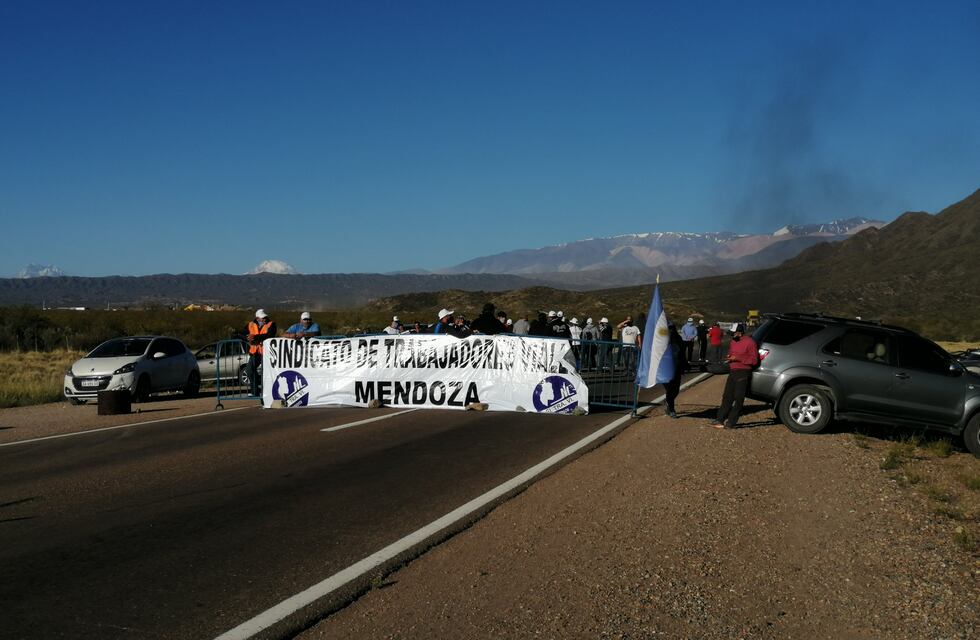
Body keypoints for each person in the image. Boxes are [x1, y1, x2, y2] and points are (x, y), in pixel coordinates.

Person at [711, 323, 759, 429]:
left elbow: (754, 360)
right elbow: (732, 352)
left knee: (738, 398)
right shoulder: (733, 341)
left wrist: (738, 358)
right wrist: (729, 357)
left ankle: (731, 422)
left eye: (733, 333)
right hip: (733, 371)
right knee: (727, 396)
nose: (732, 335)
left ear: (740, 333)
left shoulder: (750, 342)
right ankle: (720, 419)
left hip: (743, 372)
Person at [246, 309, 277, 395]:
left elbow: (270, 335)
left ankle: (266, 392)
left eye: (265, 317)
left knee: (266, 372)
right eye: (262, 318)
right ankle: (255, 391)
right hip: (254, 352)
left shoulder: (271, 324)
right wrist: (247, 337)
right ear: (257, 318)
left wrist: (255, 337)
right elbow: (242, 333)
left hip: (266, 353)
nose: (264, 319)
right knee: (249, 370)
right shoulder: (250, 324)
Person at [664, 322, 687, 418]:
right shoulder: (662, 341)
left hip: (677, 368)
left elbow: (682, 354)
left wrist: (685, 365)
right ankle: (672, 409)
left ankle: (669, 403)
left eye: (672, 328)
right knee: (669, 389)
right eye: (669, 328)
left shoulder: (679, 340)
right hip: (666, 369)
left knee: (676, 390)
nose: (671, 331)